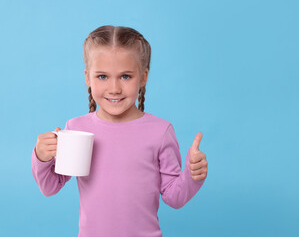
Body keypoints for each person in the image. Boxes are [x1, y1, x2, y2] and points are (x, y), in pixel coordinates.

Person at [31, 25, 208, 237]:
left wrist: (192, 175)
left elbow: (174, 197)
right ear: (88, 77)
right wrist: (42, 157)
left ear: (143, 77)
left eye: (125, 76)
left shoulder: (160, 132)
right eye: (103, 77)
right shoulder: (76, 129)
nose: (114, 88)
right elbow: (50, 187)